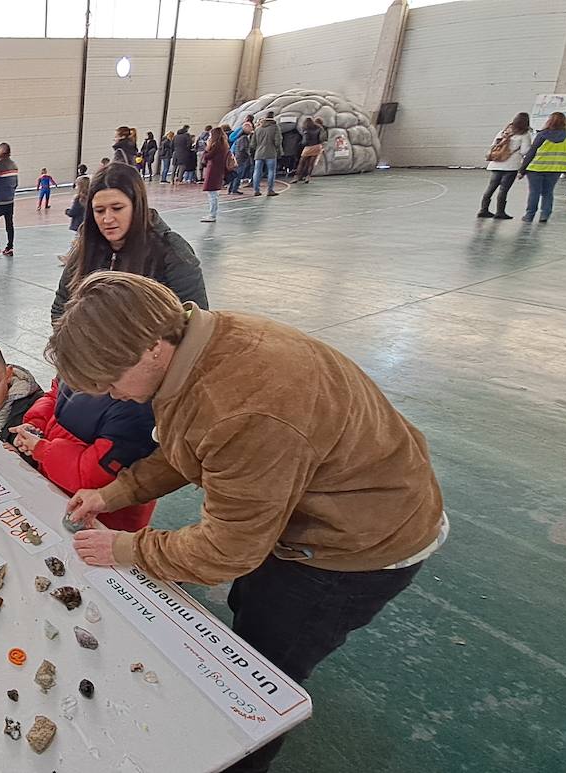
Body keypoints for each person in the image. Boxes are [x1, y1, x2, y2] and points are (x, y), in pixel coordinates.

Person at [53, 272, 446, 773]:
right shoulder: (196, 343)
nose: (111, 396)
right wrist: (115, 492)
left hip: (356, 547)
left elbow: (228, 550)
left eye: (111, 381)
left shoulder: (242, 405)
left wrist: (127, 549)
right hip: (303, 511)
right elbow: (189, 443)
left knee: (259, 681)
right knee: (253, 608)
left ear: (152, 347)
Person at [51, 162, 208, 320]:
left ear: (137, 206)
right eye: (99, 210)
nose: (107, 219)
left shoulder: (171, 250)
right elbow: (60, 308)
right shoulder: (85, 248)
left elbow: (195, 320)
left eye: (117, 208)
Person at [11, 376, 158, 532]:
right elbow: (55, 394)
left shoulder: (135, 406)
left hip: (105, 517)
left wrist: (42, 450)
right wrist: (36, 424)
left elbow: (91, 477)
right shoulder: (76, 364)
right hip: (59, 488)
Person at [478, 112, 533, 220]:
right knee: (503, 189)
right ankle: (500, 212)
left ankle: (483, 209)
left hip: (496, 163)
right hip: (511, 166)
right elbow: (524, 151)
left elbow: (493, 145)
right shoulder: (524, 134)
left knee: (491, 187)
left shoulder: (503, 132)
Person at [519, 111, 566, 223]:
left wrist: (522, 170)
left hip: (536, 168)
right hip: (556, 168)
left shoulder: (542, 134)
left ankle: (529, 215)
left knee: (534, 192)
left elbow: (532, 152)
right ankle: (545, 215)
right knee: (548, 192)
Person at [200, 126, 231, 223]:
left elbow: (207, 156)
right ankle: (212, 214)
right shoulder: (224, 145)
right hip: (218, 170)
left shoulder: (216, 146)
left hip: (213, 171)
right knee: (214, 194)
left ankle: (212, 214)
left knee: (212, 194)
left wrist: (207, 147)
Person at [252, 111, 283, 196]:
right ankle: (270, 190)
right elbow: (278, 142)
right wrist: (279, 151)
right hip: (271, 152)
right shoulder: (275, 127)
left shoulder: (258, 129)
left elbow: (252, 144)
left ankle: (256, 190)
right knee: (271, 171)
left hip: (258, 153)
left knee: (257, 171)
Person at [295, 117, 325, 183]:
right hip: (317, 146)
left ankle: (297, 177)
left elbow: (305, 141)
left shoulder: (306, 129)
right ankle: (308, 177)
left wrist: (301, 144)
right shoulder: (319, 128)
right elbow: (322, 138)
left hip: (309, 147)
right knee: (311, 163)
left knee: (301, 162)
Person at [229, 122, 253, 195]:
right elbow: (243, 148)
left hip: (237, 157)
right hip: (241, 158)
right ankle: (234, 189)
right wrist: (249, 154)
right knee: (238, 174)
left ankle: (231, 189)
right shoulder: (244, 138)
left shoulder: (239, 137)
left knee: (236, 174)